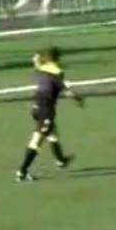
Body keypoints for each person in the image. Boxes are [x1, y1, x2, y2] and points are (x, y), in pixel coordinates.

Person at [16, 46, 84, 182]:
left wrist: (36, 57)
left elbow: (36, 61)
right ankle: (22, 171)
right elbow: (67, 91)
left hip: (36, 107)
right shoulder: (57, 73)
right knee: (37, 140)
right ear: (57, 58)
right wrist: (78, 99)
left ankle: (61, 160)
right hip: (46, 110)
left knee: (52, 133)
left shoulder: (41, 69)